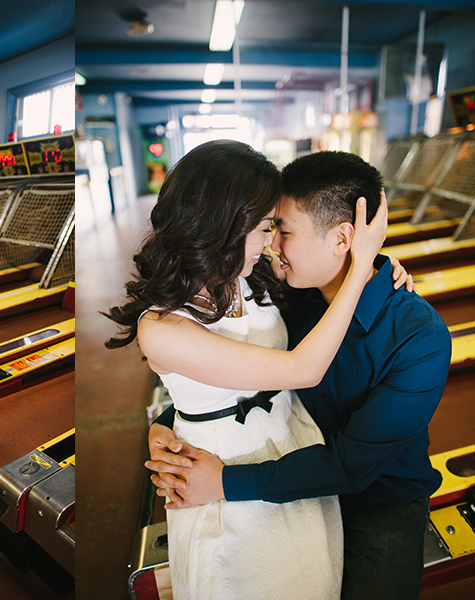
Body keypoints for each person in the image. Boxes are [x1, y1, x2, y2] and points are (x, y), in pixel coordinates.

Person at [147, 151, 451, 600]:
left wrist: (225, 482)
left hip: (376, 500)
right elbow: (246, 370)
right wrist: (171, 418)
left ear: (342, 239)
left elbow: (352, 467)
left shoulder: (419, 337)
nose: (271, 245)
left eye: (281, 230)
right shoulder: (289, 291)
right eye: (268, 228)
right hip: (286, 468)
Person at [104, 140, 390, 599]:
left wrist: (382, 268)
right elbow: (304, 368)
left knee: (311, 580)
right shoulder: (161, 327)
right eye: (263, 228)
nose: (271, 242)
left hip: (291, 448)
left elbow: (320, 289)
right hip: (219, 472)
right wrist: (360, 271)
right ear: (224, 225)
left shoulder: (251, 277)